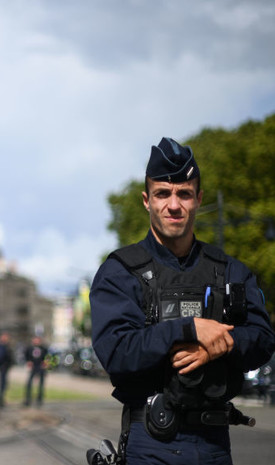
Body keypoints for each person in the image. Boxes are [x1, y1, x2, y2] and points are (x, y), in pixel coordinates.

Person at [90, 137, 275, 464]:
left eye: (184, 194)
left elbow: (262, 338)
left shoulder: (229, 270)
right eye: (163, 193)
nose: (173, 205)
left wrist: (221, 342)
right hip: (151, 443)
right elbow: (116, 352)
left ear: (198, 199)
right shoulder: (120, 271)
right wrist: (187, 330)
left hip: (215, 445)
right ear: (147, 201)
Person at [23, 335, 48, 407]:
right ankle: (28, 399)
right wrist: (28, 361)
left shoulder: (43, 348)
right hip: (33, 367)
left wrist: (45, 363)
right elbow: (26, 356)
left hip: (40, 367)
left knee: (41, 384)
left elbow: (47, 357)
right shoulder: (29, 348)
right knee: (29, 383)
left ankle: (39, 399)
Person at [0, 332, 13, 410]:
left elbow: (10, 357)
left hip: (5, 367)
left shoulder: (8, 347)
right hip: (0, 367)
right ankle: (0, 401)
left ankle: (2, 400)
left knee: (4, 385)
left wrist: (10, 366)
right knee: (1, 384)